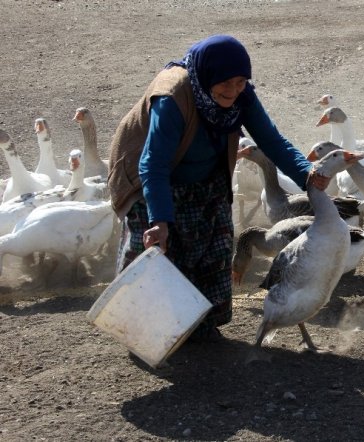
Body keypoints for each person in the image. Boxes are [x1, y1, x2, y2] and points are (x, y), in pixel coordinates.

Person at [108, 34, 329, 343]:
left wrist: (307, 174)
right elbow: (153, 163)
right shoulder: (172, 97)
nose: (233, 90)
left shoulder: (241, 95)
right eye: (226, 82)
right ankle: (147, 334)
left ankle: (202, 325)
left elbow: (271, 141)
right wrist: (159, 221)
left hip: (205, 179)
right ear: (208, 74)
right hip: (153, 182)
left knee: (215, 247)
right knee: (160, 256)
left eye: (241, 82)